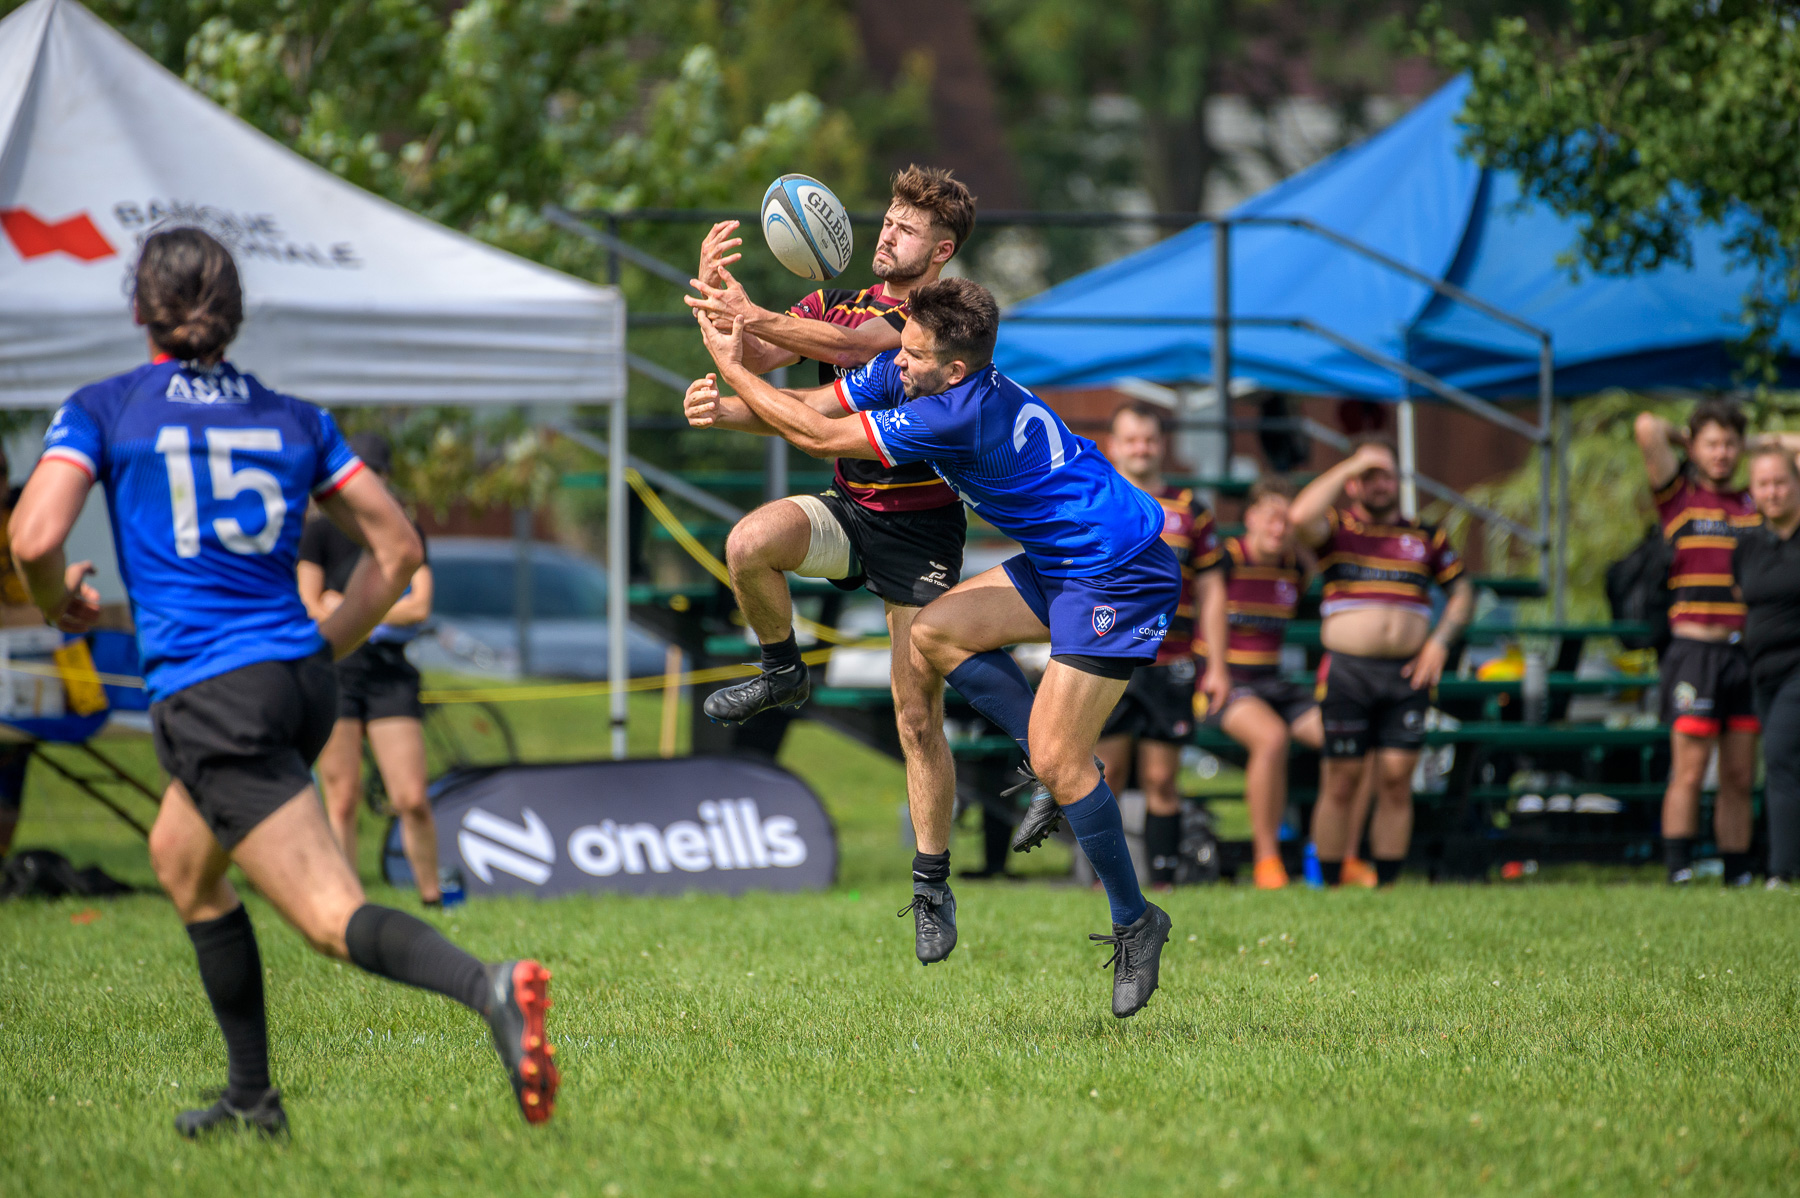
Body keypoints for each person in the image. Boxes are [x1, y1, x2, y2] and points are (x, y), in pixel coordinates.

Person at [9, 228, 557, 1136]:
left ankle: (489, 988)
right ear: (234, 315)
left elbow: (32, 539)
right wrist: (325, 642)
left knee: (329, 914)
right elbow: (399, 551)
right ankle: (252, 1100)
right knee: (183, 865)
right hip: (297, 681)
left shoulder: (106, 407)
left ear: (139, 309)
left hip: (214, 695)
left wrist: (56, 597)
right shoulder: (295, 417)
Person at [687, 278, 1181, 1018]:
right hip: (1061, 558)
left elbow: (818, 437)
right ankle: (1053, 762)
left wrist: (737, 368)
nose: (898, 361)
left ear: (953, 369)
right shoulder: (927, 367)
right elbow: (818, 408)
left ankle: (1135, 919)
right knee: (935, 631)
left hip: (1114, 566)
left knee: (1059, 757)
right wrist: (735, 391)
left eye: (913, 355)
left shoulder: (955, 412)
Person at [682, 166, 978, 964]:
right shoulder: (823, 304)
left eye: (906, 227)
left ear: (940, 250)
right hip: (850, 510)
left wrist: (754, 318)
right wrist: (718, 300)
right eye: (885, 219)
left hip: (920, 533)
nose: (887, 232)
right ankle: (783, 670)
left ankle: (930, 884)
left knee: (915, 717)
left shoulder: (932, 318)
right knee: (748, 544)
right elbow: (751, 356)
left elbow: (853, 349)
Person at [1289, 439, 1473, 887]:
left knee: (1396, 779)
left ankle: (1388, 883)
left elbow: (1464, 592)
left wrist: (1440, 643)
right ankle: (1329, 883)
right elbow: (1298, 517)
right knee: (1341, 780)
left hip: (1408, 673)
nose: (1379, 484)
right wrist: (1354, 461)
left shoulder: (1426, 536)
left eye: (1386, 474)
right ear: (1352, 484)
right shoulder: (1336, 531)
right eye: (1369, 476)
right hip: (1348, 673)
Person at [297, 432, 438, 901]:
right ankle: (349, 906)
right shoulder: (318, 533)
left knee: (411, 799)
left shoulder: (404, 532)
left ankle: (433, 897)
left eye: (371, 476)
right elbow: (310, 603)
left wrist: (352, 607)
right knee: (342, 798)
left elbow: (420, 607)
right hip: (337, 667)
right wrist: (369, 609)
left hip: (389, 671)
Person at [1094, 402, 1230, 888]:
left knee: (1161, 781)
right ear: (1114, 445)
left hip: (1170, 661)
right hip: (1105, 660)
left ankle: (1165, 880)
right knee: (1104, 778)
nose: (1141, 448)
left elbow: (1213, 592)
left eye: (1149, 439)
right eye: (1131, 439)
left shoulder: (1192, 509)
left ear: (1161, 444)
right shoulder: (1095, 497)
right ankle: (1104, 880)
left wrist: (1216, 663)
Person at [1634, 403, 1760, 886]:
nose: (1722, 454)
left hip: (1743, 653)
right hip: (1694, 651)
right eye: (1712, 443)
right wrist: (1688, 440)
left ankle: (1737, 871)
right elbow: (1646, 427)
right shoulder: (1678, 498)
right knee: (1688, 769)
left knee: (1739, 775)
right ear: (1694, 446)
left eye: (1730, 444)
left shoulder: (1755, 503)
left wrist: (1750, 442)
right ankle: (1678, 869)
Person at [1197, 477, 1322, 889]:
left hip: (1272, 681)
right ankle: (1267, 859)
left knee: (1343, 735)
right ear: (1249, 518)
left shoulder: (1296, 566)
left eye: (1286, 519)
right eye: (1270, 517)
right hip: (1220, 681)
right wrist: (1217, 671)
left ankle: (1333, 853)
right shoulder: (1224, 560)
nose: (1278, 527)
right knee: (1271, 738)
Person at [1734, 442, 1800, 885]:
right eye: (1763, 483)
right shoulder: (1748, 546)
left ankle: (1781, 870)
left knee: (1778, 756)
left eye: (1780, 481)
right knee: (1784, 765)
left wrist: (1767, 442)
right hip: (1763, 672)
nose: (1773, 492)